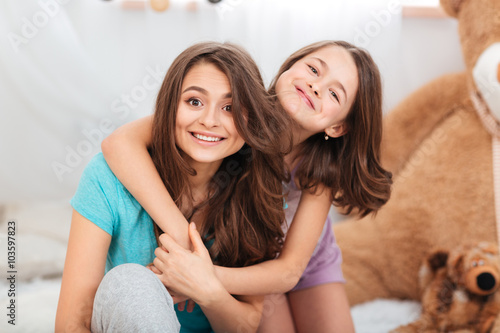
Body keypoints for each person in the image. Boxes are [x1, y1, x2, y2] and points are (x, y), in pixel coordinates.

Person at [102, 40, 392, 332]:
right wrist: (183, 238)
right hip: (252, 256)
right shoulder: (235, 112)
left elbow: (288, 271)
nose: (316, 86)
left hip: (302, 262)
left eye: (333, 93)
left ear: (337, 127)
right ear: (288, 67)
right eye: (314, 69)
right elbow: (119, 143)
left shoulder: (321, 169)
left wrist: (202, 277)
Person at [55, 41, 293, 333]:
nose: (209, 120)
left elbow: (246, 325)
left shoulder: (259, 191)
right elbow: (72, 322)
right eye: (194, 101)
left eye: (230, 107)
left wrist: (206, 289)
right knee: (132, 283)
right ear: (169, 107)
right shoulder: (106, 178)